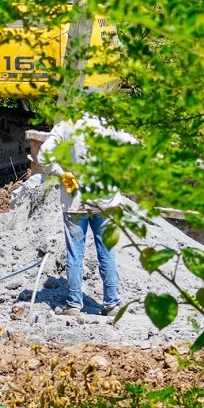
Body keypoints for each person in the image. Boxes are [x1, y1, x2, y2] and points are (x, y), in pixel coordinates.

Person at [40, 113, 139, 316]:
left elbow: (43, 156)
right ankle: (112, 304)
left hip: (75, 201)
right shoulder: (109, 127)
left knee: (75, 254)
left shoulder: (66, 126)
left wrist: (61, 173)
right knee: (108, 251)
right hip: (106, 202)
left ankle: (74, 304)